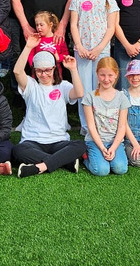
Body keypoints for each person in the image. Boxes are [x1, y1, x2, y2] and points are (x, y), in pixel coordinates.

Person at [11, 44, 86, 178]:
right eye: (39, 71)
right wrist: (28, 46)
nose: (44, 74)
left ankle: (40, 167)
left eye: (47, 70)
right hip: (33, 140)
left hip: (58, 140)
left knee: (80, 144)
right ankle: (64, 161)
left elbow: (79, 93)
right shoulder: (30, 86)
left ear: (54, 69)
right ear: (34, 70)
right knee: (18, 150)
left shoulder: (63, 86)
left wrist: (73, 69)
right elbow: (17, 71)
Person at [70, 0, 119, 126]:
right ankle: (85, 124)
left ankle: (100, 122)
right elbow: (73, 25)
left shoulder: (109, 1)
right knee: (83, 87)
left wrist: (99, 48)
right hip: (82, 50)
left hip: (101, 51)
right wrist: (79, 46)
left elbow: (111, 27)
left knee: (101, 86)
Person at [82, 57, 130, 176]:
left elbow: (122, 126)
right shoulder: (90, 97)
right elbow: (91, 126)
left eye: (110, 75)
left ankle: (111, 154)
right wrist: (102, 148)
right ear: (97, 74)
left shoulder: (121, 97)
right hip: (95, 141)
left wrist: (113, 148)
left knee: (120, 169)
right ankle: (84, 157)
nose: (106, 79)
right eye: (102, 75)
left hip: (114, 141)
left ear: (116, 75)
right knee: (102, 170)